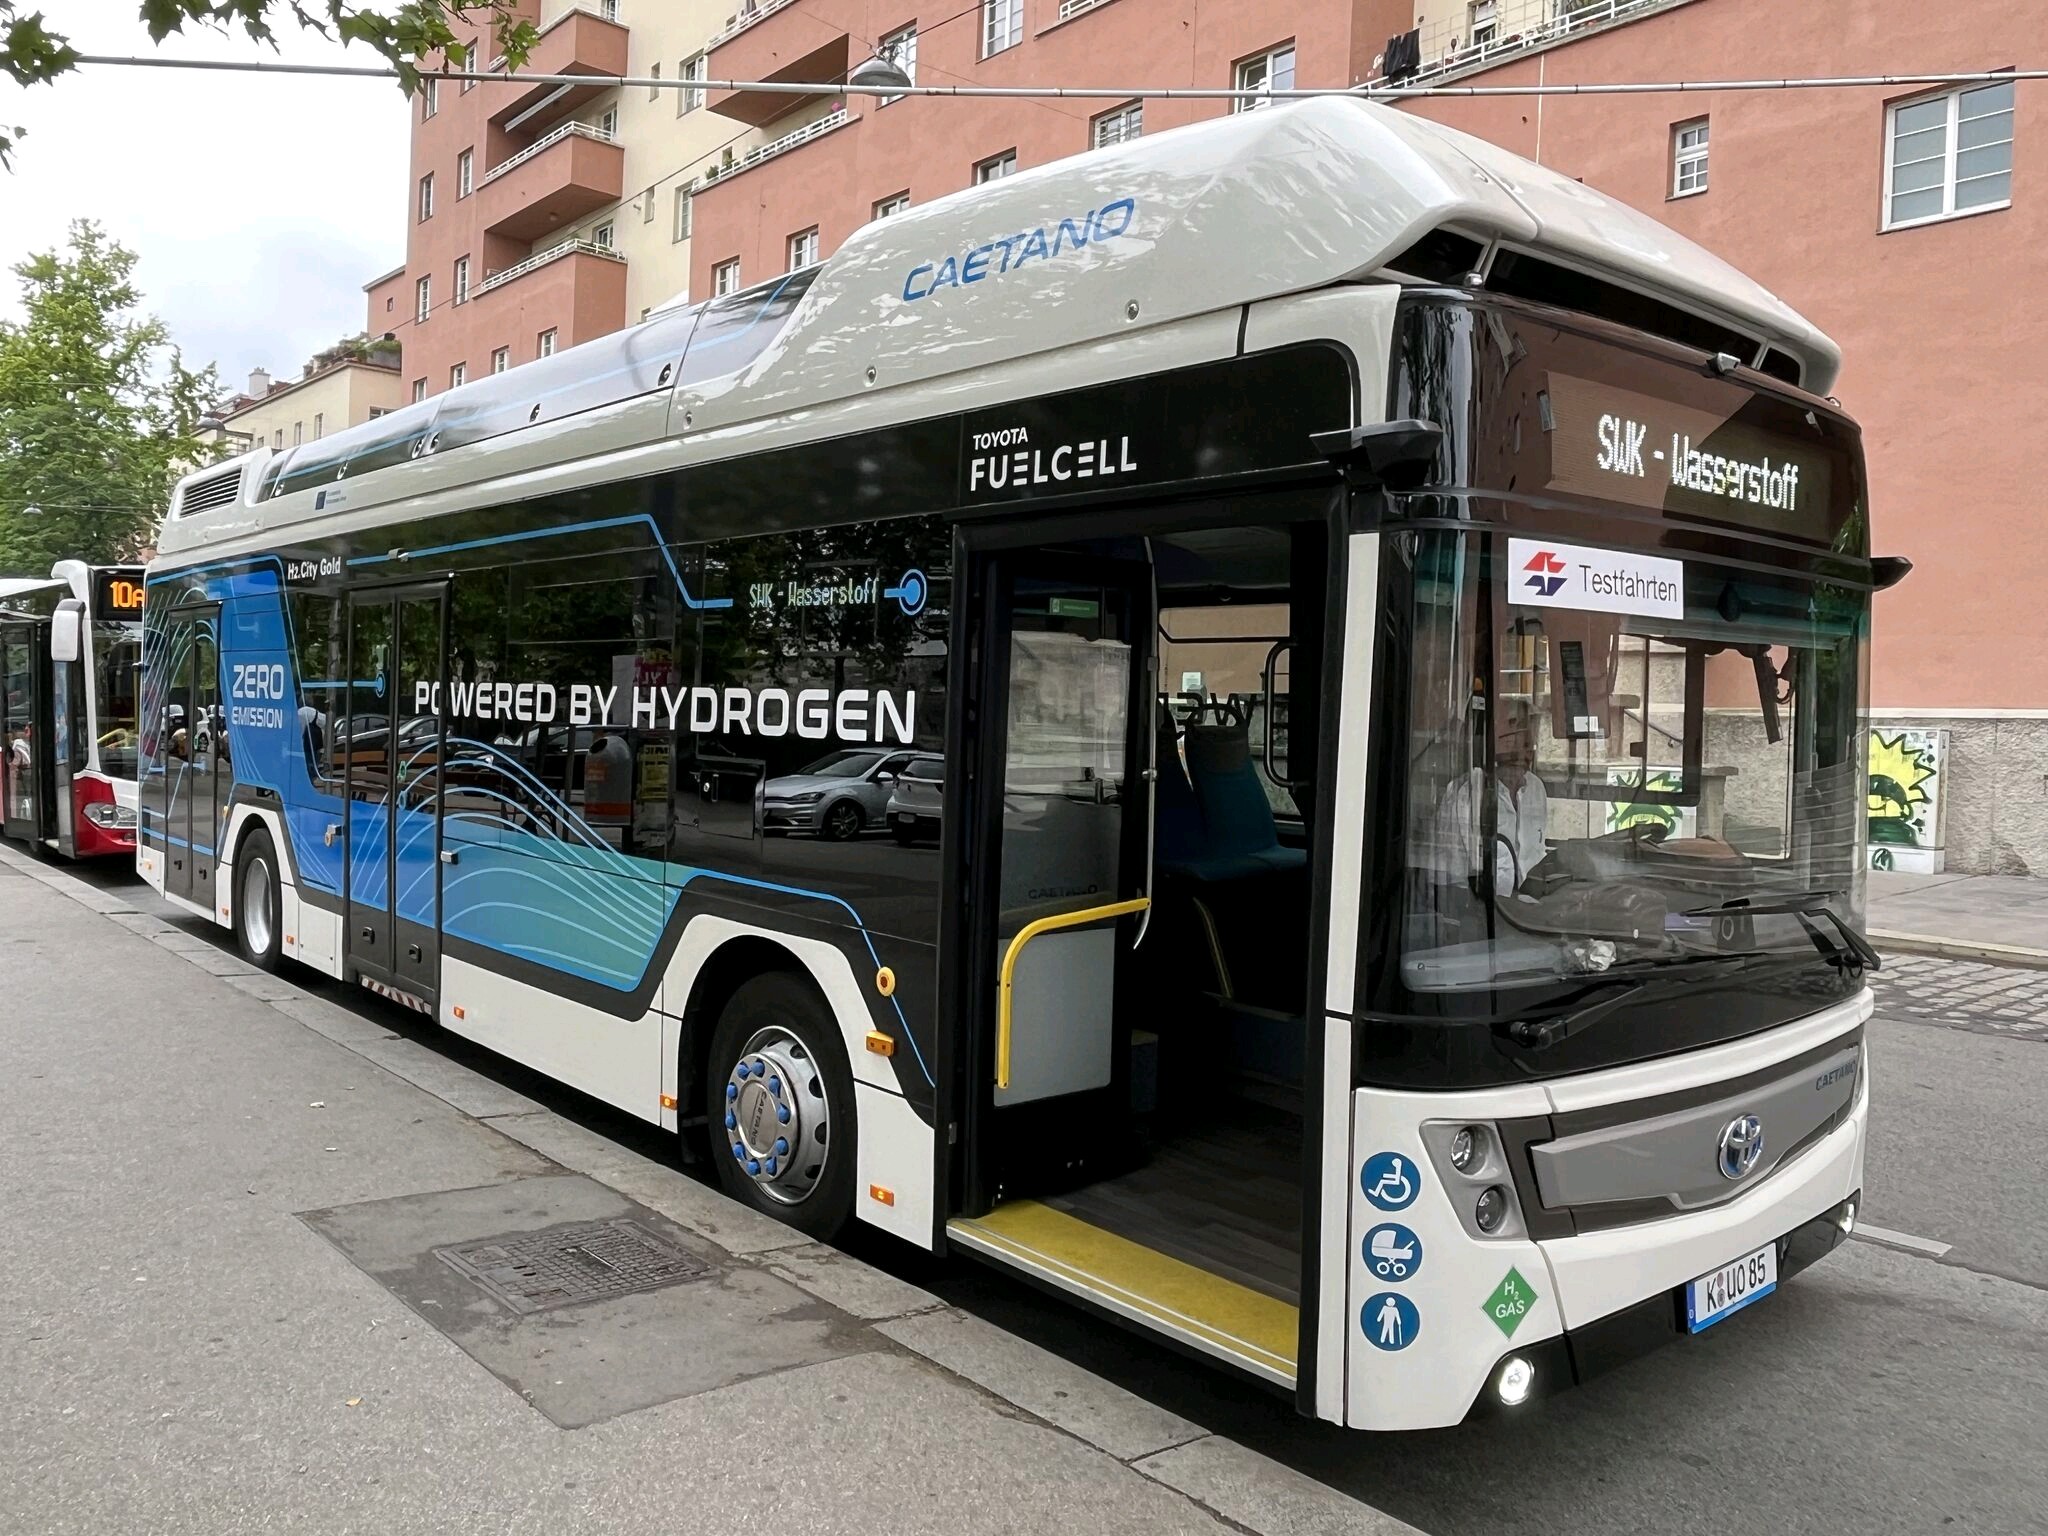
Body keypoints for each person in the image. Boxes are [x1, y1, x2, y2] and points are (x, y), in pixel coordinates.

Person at [1429, 698, 1549, 898]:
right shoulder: (1466, 795)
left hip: (1530, 906)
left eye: (1530, 742)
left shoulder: (1536, 789)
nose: (1526, 748)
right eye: (1517, 734)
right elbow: (1452, 875)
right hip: (1487, 908)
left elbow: (1537, 854)